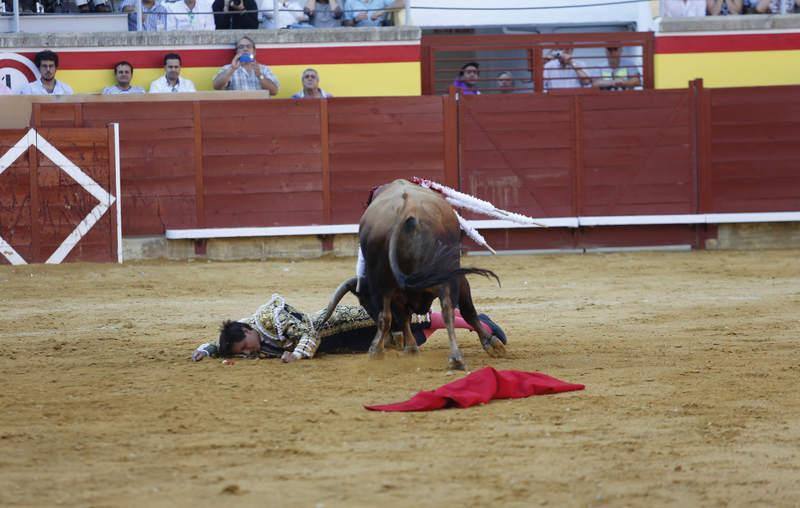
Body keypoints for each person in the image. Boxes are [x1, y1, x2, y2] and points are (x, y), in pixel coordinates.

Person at [191, 293, 507, 362]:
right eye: (244, 352)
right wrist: (208, 350)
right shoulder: (244, 336)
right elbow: (225, 341)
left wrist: (297, 356)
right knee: (398, 341)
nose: (250, 351)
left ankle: (475, 323)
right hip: (340, 344)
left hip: (343, 323)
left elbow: (310, 331)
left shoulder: (273, 318)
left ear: (247, 330)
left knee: (401, 325)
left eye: (247, 346)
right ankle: (466, 320)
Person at [212, 36, 279, 95]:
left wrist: (259, 75)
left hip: (260, 107)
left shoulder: (264, 69)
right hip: (237, 107)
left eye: (248, 46)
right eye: (241, 47)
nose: (245, 49)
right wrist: (232, 69)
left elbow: (274, 91)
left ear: (254, 52)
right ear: (237, 52)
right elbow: (217, 87)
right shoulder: (228, 68)